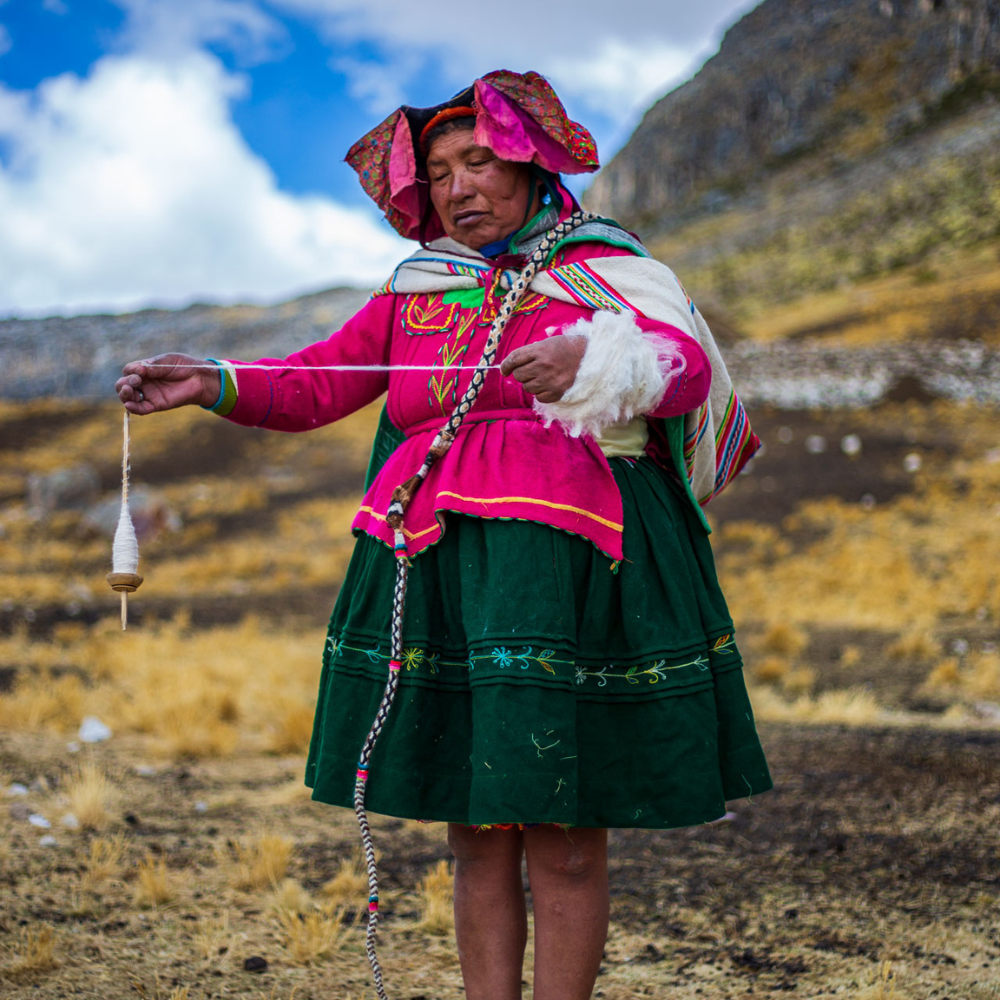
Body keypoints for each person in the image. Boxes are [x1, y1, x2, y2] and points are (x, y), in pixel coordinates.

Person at [117, 70, 771, 1000]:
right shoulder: (421, 287)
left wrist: (592, 356)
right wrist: (209, 381)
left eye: (480, 160)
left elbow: (681, 373)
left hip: (571, 570)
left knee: (564, 832)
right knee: (475, 827)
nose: (459, 185)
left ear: (533, 164)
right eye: (439, 170)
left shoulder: (616, 274)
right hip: (438, 570)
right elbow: (314, 383)